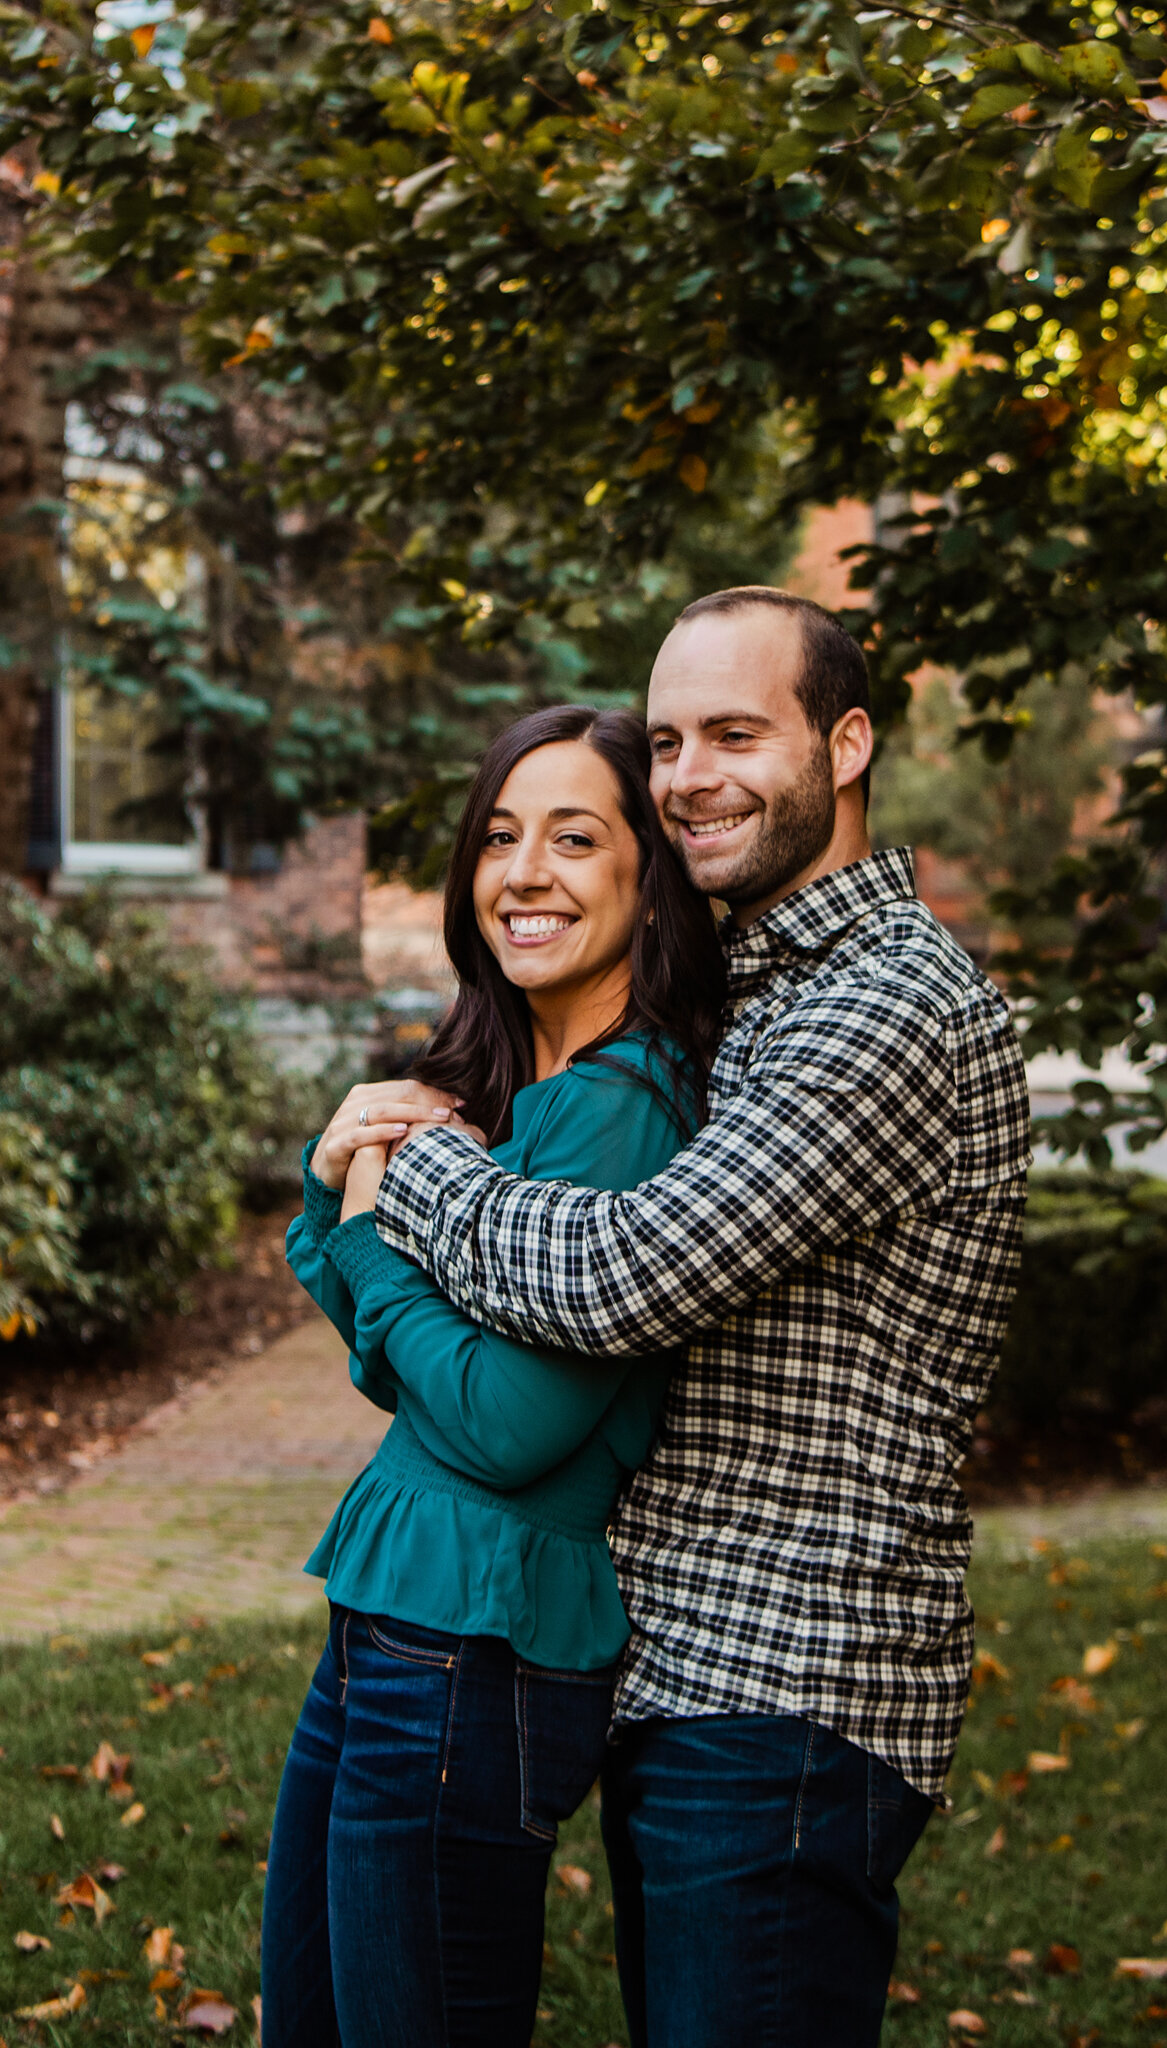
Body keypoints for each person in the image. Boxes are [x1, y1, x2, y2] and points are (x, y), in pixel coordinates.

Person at [372, 588, 1032, 2048]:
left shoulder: (885, 1005)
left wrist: (415, 1167)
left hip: (796, 1676)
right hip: (685, 1669)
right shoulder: (747, 984)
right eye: (667, 742)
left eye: (737, 733)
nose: (687, 777)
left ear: (846, 744)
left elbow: (623, 1277)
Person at [260, 705, 725, 2048]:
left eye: (576, 838)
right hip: (398, 1629)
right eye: (501, 837)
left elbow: (507, 1424)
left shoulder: (620, 1104)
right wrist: (336, 1170)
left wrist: (370, 1228)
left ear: (650, 877)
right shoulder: (526, 1089)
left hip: (474, 1653)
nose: (524, 873)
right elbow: (403, 1376)